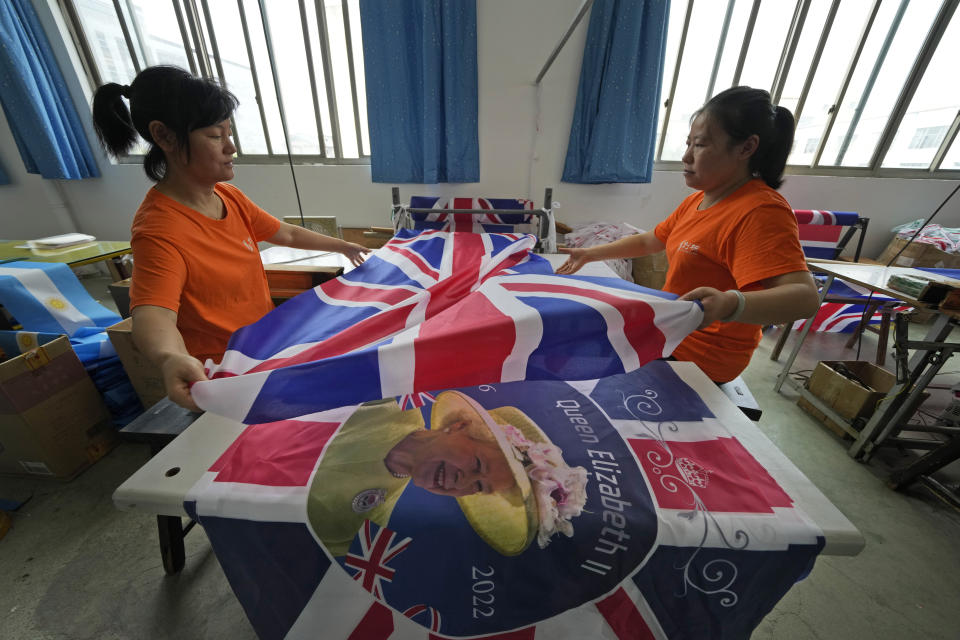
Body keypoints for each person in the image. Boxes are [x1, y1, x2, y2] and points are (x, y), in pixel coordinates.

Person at [91, 66, 370, 410]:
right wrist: (168, 358)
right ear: (164, 136)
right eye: (215, 136)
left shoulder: (228, 197)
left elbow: (285, 232)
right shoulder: (160, 231)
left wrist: (344, 246)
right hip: (222, 375)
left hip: (264, 349)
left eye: (229, 133)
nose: (231, 147)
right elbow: (153, 315)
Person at [557, 86, 820, 384]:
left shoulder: (760, 211)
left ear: (746, 148)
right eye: (688, 144)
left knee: (571, 359)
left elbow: (804, 297)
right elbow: (651, 240)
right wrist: (590, 253)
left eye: (700, 145)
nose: (686, 156)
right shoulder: (702, 199)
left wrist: (730, 303)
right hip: (670, 333)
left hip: (701, 358)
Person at [307, 392, 588, 557]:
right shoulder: (384, 400)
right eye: (477, 464)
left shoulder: (371, 518)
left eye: (479, 486)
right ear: (461, 426)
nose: (462, 482)